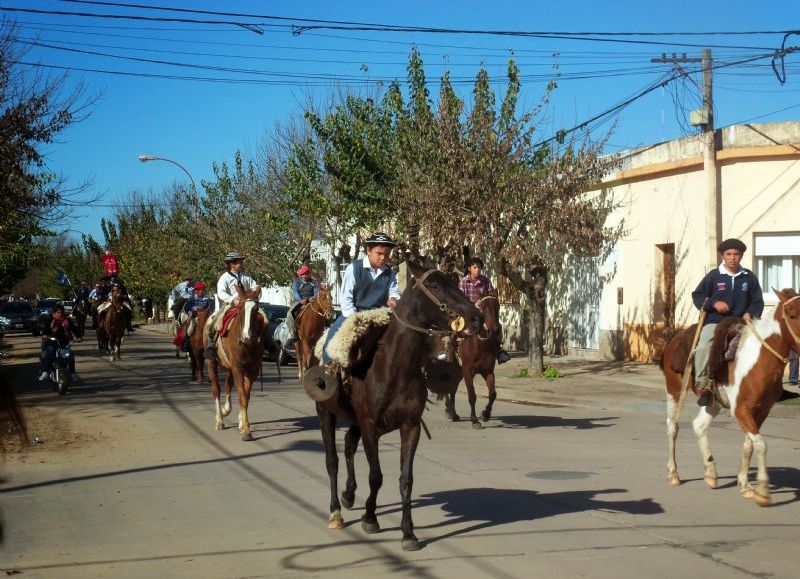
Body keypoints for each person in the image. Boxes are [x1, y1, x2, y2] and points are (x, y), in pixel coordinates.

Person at [691, 238, 764, 406]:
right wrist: (713, 304)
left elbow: (757, 301)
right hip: (716, 321)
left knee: (763, 345)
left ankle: (763, 383)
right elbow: (698, 296)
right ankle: (704, 384)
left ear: (741, 255)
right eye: (728, 254)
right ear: (722, 256)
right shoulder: (714, 276)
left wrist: (751, 312)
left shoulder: (749, 278)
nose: (732, 257)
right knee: (704, 346)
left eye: (736, 254)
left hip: (741, 322)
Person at [321, 232, 401, 364]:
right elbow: (346, 298)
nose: (383, 258)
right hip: (355, 313)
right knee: (334, 334)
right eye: (379, 253)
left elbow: (394, 292)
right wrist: (354, 318)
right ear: (369, 251)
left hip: (379, 315)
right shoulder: (354, 268)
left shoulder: (389, 273)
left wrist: (393, 299)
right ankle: (326, 366)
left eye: (386, 255)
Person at [458, 257, 511, 364]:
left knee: (496, 327)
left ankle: (499, 351)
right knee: (460, 329)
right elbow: (460, 300)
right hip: (469, 313)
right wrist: (473, 305)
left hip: (484, 312)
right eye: (475, 267)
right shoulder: (463, 282)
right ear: (469, 269)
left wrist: (485, 303)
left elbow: (491, 294)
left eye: (479, 267)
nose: (477, 270)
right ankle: (455, 352)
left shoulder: (485, 280)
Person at [206, 252, 258, 353]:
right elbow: (221, 292)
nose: (242, 264)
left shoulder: (246, 276)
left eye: (242, 262)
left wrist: (255, 292)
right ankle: (211, 345)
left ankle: (269, 344)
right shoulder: (224, 278)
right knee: (215, 322)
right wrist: (232, 299)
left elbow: (254, 286)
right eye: (239, 262)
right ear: (232, 264)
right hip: (230, 305)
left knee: (264, 319)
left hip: (246, 304)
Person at [285, 264, 320, 348]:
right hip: (300, 301)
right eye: (302, 274)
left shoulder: (314, 282)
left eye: (305, 274)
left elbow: (316, 292)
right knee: (289, 313)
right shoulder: (297, 283)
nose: (304, 276)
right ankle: (293, 333)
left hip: (311, 302)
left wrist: (313, 298)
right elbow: (296, 293)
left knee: (324, 313)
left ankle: (325, 330)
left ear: (309, 274)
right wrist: (300, 300)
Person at [38, 304, 76, 381]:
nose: (60, 314)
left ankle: (72, 373)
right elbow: (45, 331)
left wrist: (79, 336)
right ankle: (45, 372)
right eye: (58, 312)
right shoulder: (50, 321)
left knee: (70, 355)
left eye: (62, 312)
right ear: (54, 313)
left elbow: (74, 329)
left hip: (63, 343)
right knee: (50, 352)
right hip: (51, 343)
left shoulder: (67, 321)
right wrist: (45, 335)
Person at [181, 282, 214, 350]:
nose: (201, 291)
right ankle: (186, 342)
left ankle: (211, 342)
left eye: (203, 290)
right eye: (199, 290)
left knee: (212, 327)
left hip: (206, 317)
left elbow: (210, 308)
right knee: (190, 328)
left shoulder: (208, 300)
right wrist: (191, 311)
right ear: (196, 291)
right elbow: (186, 308)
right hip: (195, 317)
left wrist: (208, 312)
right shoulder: (192, 300)